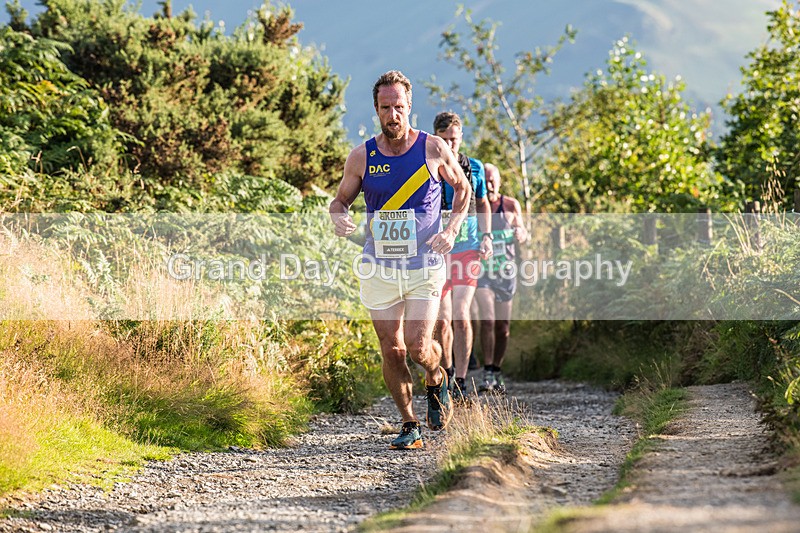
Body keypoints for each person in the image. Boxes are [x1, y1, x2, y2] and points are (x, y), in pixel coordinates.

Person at [329, 71, 470, 449]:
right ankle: (409, 423)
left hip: (425, 263)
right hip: (380, 265)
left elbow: (462, 189)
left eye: (400, 108)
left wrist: (452, 230)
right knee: (392, 348)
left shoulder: (434, 148)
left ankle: (437, 378)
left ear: (410, 108)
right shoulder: (361, 156)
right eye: (386, 108)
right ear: (376, 109)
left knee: (419, 345)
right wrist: (339, 213)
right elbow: (340, 199)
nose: (393, 115)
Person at [431, 112, 492, 402]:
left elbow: (482, 203)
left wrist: (487, 236)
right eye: (444, 140)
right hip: (438, 250)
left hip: (468, 248)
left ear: (461, 137)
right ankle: (445, 374)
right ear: (436, 139)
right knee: (442, 320)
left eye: (454, 140)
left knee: (461, 315)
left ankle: (461, 380)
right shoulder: (429, 165)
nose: (450, 146)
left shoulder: (475, 167)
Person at [475, 163, 528, 394]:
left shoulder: (510, 205)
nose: (488, 183)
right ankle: (487, 371)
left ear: (499, 181)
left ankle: (497, 370)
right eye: (485, 179)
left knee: (503, 328)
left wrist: (520, 233)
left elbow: (524, 233)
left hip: (506, 271)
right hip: (483, 271)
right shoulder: (477, 205)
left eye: (492, 179)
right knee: (487, 320)